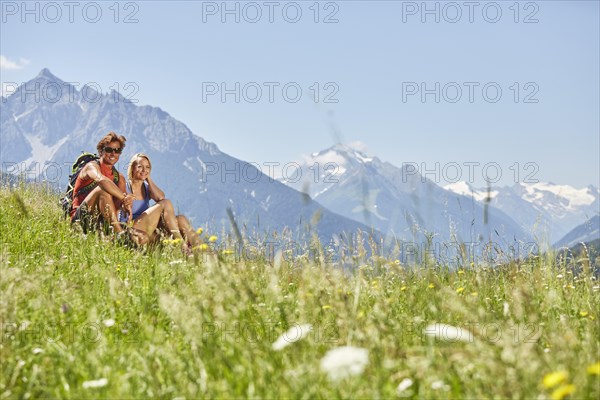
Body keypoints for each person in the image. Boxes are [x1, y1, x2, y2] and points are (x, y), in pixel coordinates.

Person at [70, 131, 146, 245]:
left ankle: (116, 238)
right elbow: (102, 180)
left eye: (117, 151)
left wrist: (126, 204)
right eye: (109, 150)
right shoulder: (91, 166)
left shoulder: (119, 178)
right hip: (80, 221)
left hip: (100, 224)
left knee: (142, 236)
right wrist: (123, 198)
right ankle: (120, 237)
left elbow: (118, 208)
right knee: (102, 190)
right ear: (101, 151)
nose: (113, 154)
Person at [120, 153, 201, 249]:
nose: (144, 170)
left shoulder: (146, 188)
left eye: (147, 167)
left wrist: (148, 178)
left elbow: (160, 197)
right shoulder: (124, 186)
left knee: (181, 219)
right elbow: (164, 202)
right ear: (132, 168)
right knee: (166, 203)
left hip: (148, 228)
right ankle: (182, 246)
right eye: (140, 167)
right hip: (132, 228)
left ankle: (204, 252)